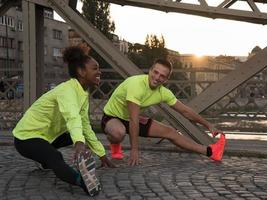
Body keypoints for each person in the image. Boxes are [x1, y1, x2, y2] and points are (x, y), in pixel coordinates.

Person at [13, 46, 114, 196]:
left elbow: (84, 126)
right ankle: (82, 181)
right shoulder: (67, 90)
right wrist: (79, 144)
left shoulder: (82, 94)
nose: (99, 72)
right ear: (81, 72)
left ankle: (43, 160)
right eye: (95, 68)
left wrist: (102, 155)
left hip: (45, 137)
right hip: (25, 138)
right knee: (56, 157)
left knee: (79, 135)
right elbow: (72, 117)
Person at [101, 58, 226, 166]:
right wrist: (134, 150)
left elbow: (185, 111)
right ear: (150, 70)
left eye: (162, 76)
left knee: (170, 132)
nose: (157, 77)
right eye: (155, 72)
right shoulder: (136, 84)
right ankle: (115, 147)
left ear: (166, 79)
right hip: (112, 117)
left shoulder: (163, 93)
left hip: (130, 118)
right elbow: (134, 120)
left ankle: (211, 151)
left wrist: (208, 125)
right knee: (119, 132)